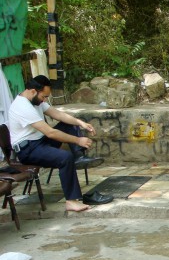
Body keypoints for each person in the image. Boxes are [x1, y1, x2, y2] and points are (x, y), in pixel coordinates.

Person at [7, 75, 112, 212]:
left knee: (70, 125)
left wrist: (81, 123)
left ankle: (79, 157)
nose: (45, 100)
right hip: (28, 150)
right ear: (33, 91)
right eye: (44, 97)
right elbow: (51, 133)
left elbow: (58, 115)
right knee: (65, 158)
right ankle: (71, 201)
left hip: (40, 141)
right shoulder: (22, 107)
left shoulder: (35, 100)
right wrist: (78, 140)